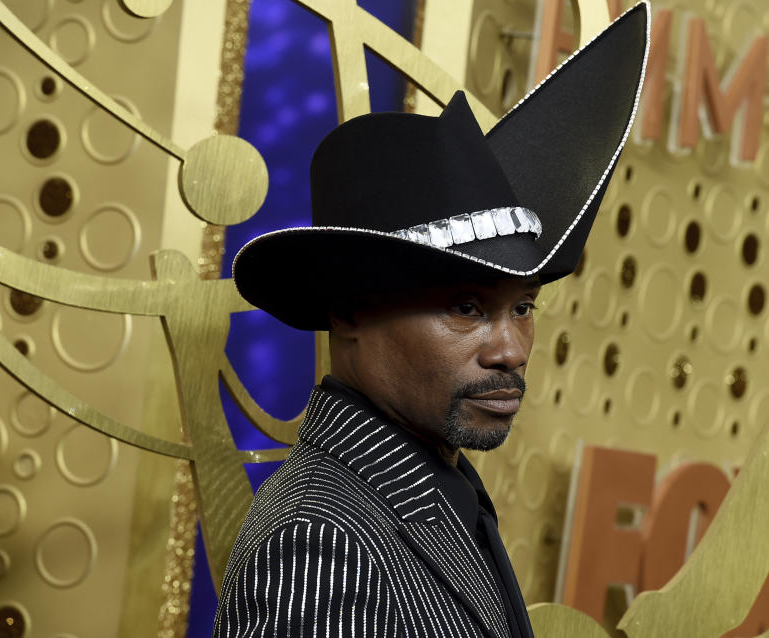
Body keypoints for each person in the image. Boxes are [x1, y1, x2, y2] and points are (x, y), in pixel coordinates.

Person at [213, 4, 648, 636]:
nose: (512, 350)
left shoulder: (433, 481)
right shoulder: (319, 544)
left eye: (522, 307)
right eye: (467, 307)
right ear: (352, 309)